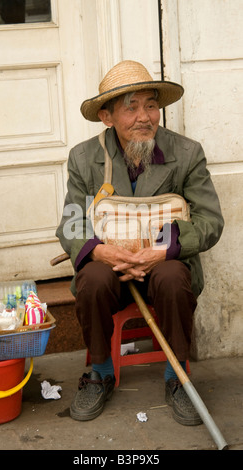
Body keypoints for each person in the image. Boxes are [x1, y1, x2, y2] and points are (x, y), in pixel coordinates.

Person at [56, 60, 224, 425]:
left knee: (171, 277)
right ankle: (100, 373)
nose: (144, 116)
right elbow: (71, 226)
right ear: (107, 117)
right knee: (93, 279)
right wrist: (100, 251)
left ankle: (177, 378)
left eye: (150, 105)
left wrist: (162, 251)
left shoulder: (187, 154)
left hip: (164, 268)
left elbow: (211, 221)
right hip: (111, 271)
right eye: (130, 107)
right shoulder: (84, 160)